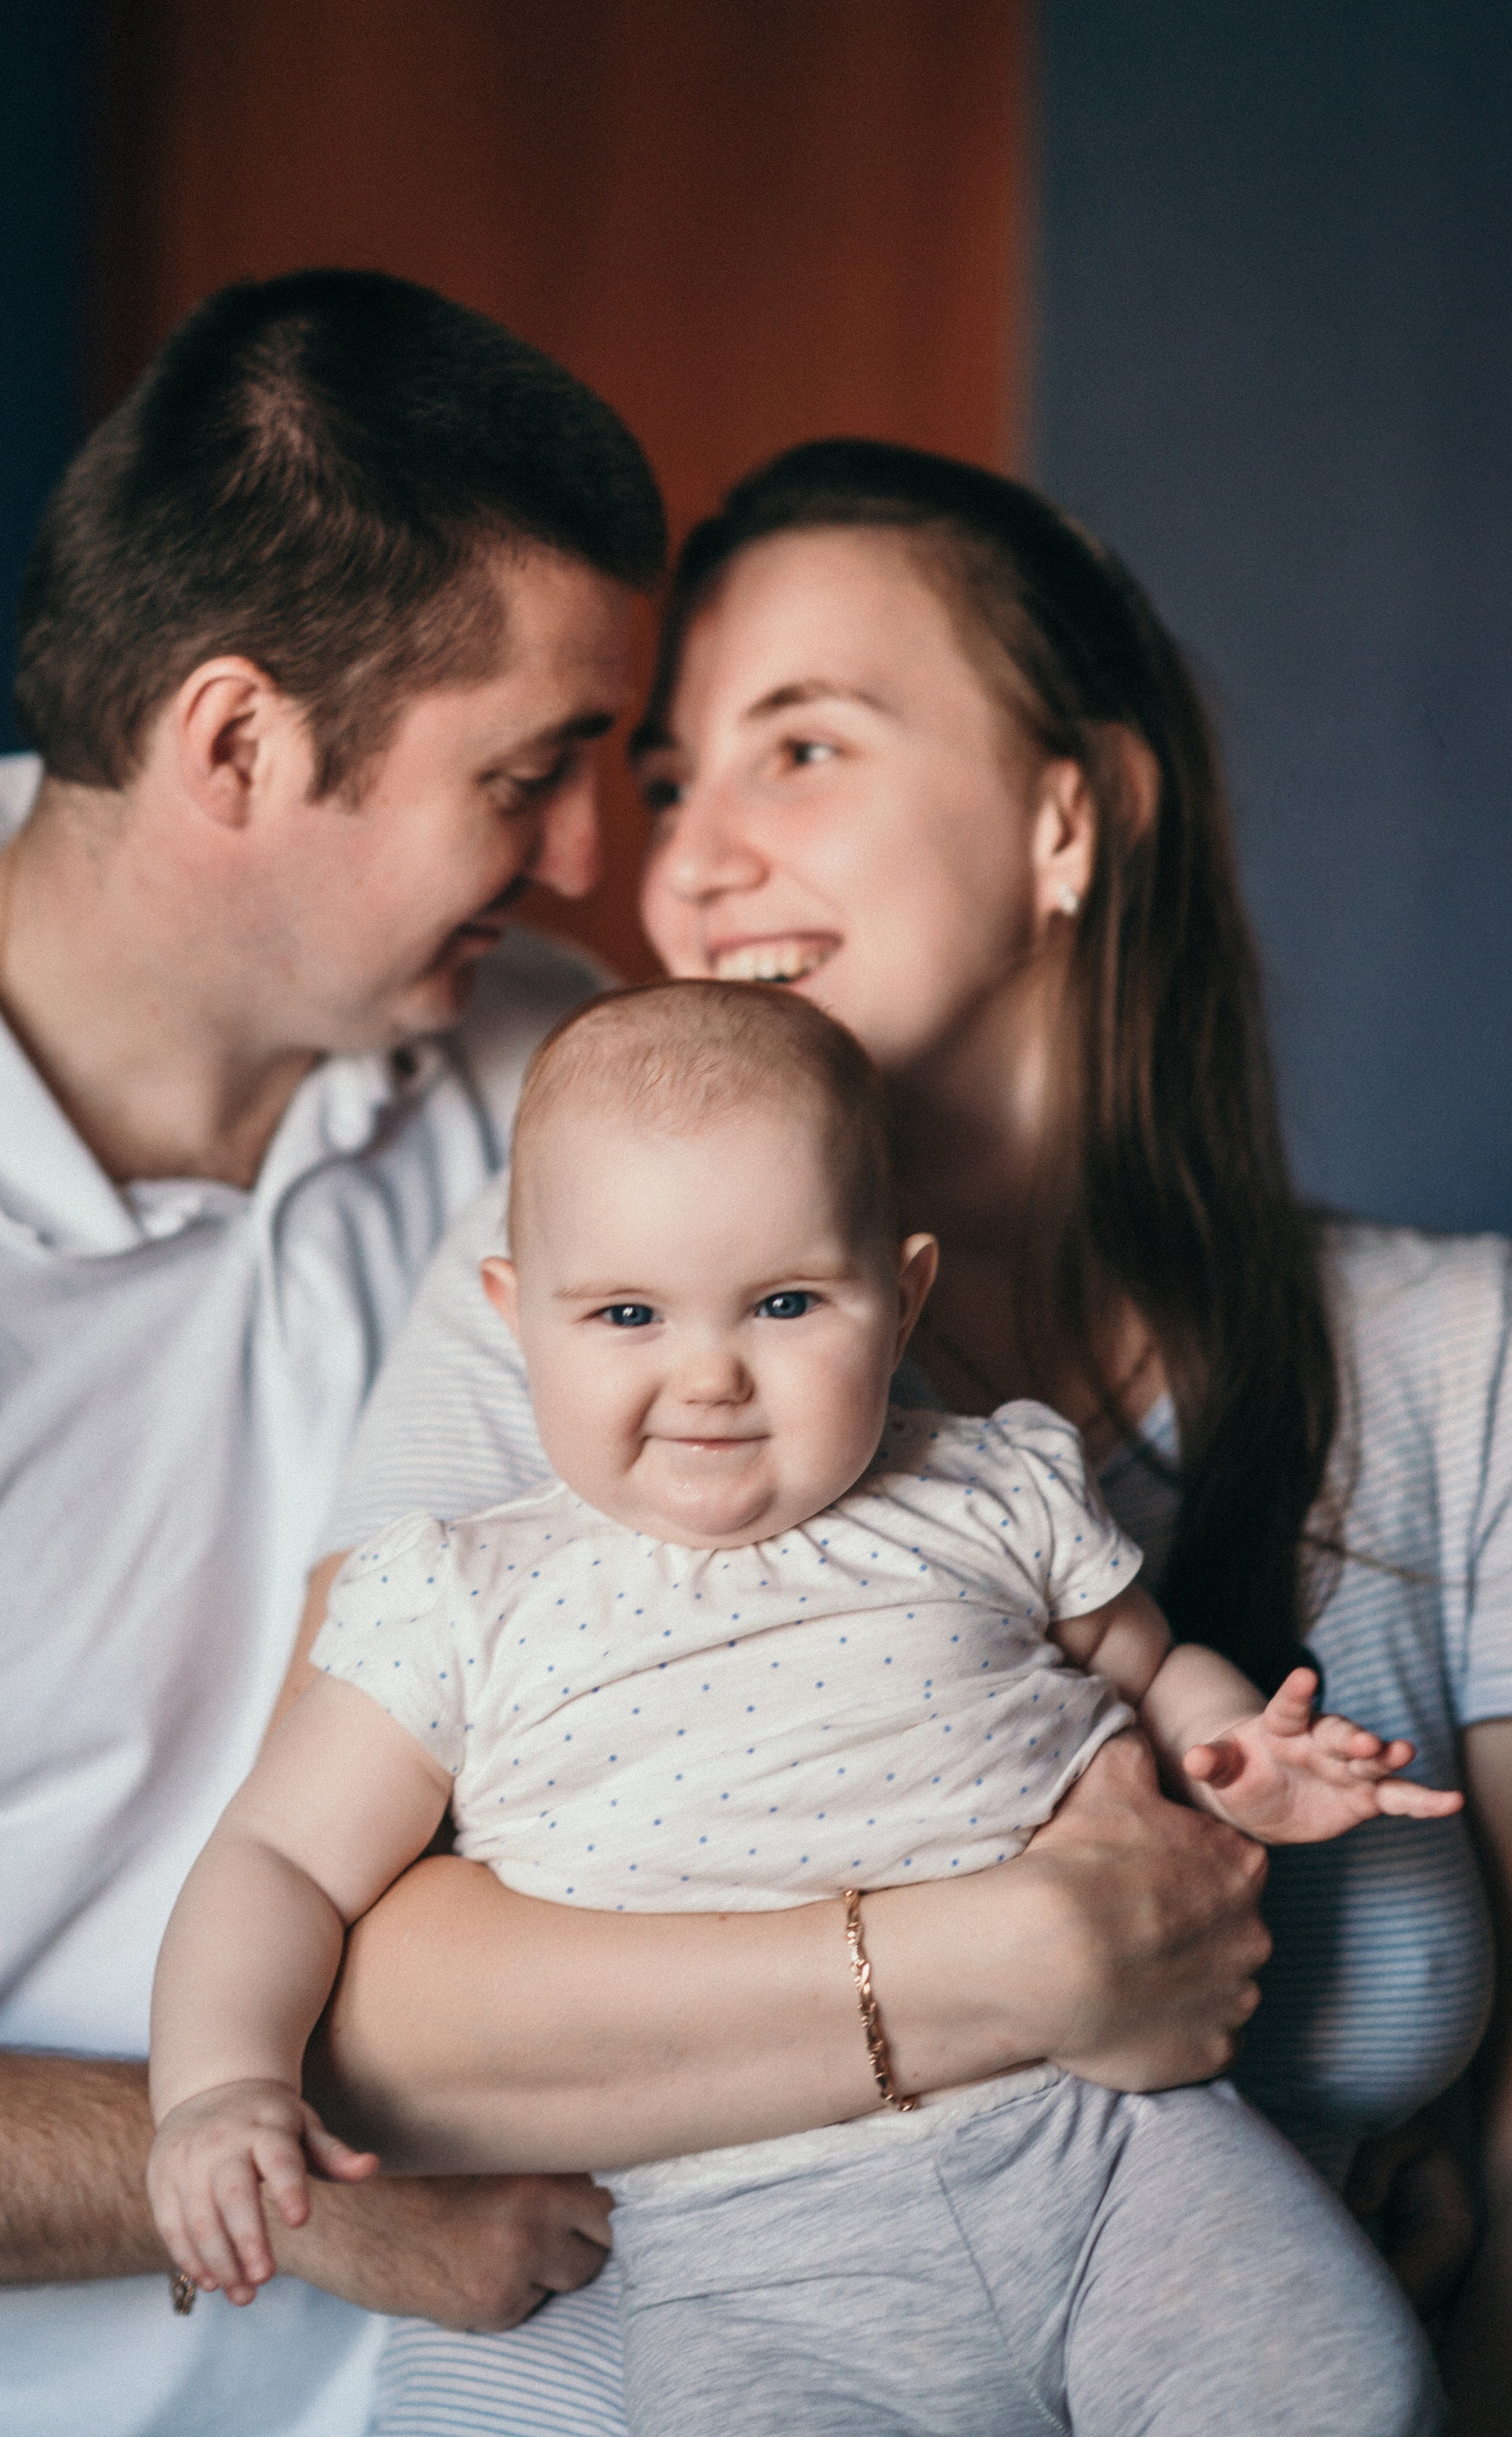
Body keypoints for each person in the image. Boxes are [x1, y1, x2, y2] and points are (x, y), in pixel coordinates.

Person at [285, 444, 1512, 2434]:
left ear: (1067, 816)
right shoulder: (573, 1327)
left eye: (802, 749)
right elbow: (362, 2021)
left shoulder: (1455, 1357)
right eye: (673, 782)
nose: (687, 866)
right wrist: (1020, 1957)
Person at [149, 981, 1451, 2437]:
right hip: (750, 2251)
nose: (707, 1375)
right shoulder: (459, 1598)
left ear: (901, 1298)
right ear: (515, 1317)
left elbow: (1151, 1675)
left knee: (1342, 2388)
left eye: (784, 1304)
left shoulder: (990, 1489)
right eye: (626, 1313)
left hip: (1122, 2152)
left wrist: (1242, 1752)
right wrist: (217, 2083)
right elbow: (276, 1857)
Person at [0, 266, 669, 2437]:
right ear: (235, 742)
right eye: (528, 773)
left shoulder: (557, 1074)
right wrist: (317, 2215)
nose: (591, 859)